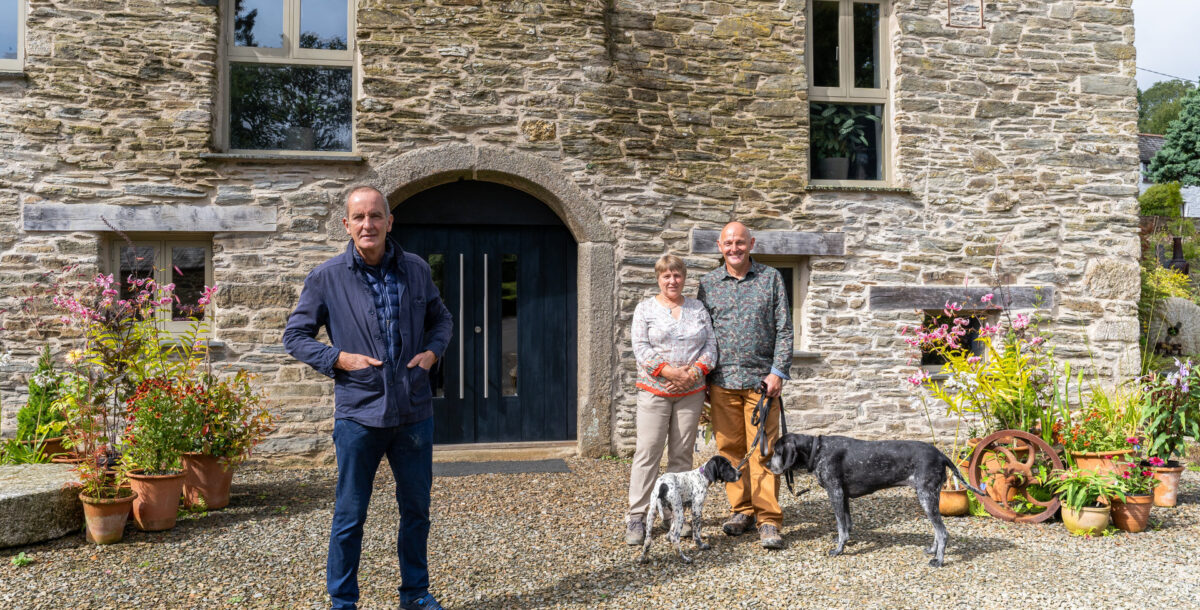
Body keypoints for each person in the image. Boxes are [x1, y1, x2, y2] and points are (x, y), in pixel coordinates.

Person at [283, 185, 453, 610]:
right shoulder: (327, 277)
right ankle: (343, 601)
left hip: (413, 413)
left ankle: (414, 594)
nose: (368, 224)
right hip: (358, 416)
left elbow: (442, 318)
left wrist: (432, 354)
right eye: (358, 217)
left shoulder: (415, 269)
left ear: (389, 222)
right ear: (346, 224)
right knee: (349, 517)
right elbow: (295, 336)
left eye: (375, 216)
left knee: (416, 512)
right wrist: (338, 358)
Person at [697, 221, 794, 550]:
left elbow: (784, 329)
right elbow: (703, 335)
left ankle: (768, 519)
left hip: (761, 383)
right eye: (728, 243)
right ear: (719, 246)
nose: (734, 248)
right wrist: (704, 379)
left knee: (764, 452)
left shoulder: (771, 279)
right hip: (722, 383)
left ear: (751, 243)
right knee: (730, 451)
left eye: (740, 242)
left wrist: (778, 371)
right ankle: (742, 510)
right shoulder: (708, 284)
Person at [625, 254, 718, 545]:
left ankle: (674, 513)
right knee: (648, 453)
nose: (672, 281)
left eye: (677, 275)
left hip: (690, 393)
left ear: (684, 277)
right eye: (666, 276)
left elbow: (711, 345)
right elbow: (640, 347)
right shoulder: (645, 309)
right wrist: (669, 373)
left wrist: (694, 372)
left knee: (681, 456)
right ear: (658, 278)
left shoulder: (697, 308)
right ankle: (637, 517)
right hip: (655, 391)